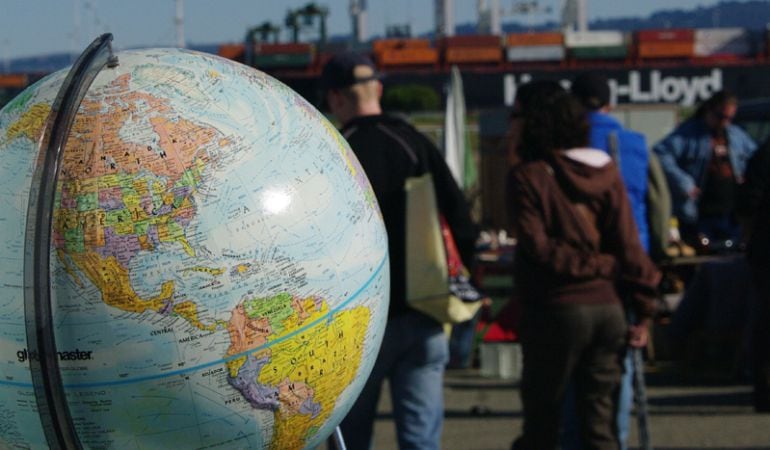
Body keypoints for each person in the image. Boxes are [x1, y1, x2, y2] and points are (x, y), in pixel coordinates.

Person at [320, 52, 477, 449]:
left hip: (358, 322)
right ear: (379, 90)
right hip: (423, 312)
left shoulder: (337, 150)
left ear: (336, 98)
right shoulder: (414, 142)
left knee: (351, 439)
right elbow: (462, 221)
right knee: (421, 439)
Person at [508, 84, 660, 450]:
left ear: (531, 123)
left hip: (555, 310)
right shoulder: (606, 170)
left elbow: (539, 249)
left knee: (543, 424)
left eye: (515, 116)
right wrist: (643, 309)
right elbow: (629, 245)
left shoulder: (528, 176)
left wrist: (595, 265)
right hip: (608, 310)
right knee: (600, 425)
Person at [562, 72, 653, 450]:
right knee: (622, 368)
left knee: (573, 375)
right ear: (609, 104)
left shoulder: (568, 149)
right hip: (631, 265)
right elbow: (654, 205)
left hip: (582, 273)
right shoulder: (637, 144)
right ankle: (617, 437)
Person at [653, 90, 756, 247]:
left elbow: (755, 157)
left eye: (730, 118)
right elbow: (660, 154)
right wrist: (683, 182)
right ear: (709, 110)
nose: (725, 122)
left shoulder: (735, 135)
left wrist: (747, 176)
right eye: (721, 117)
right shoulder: (688, 134)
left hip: (731, 213)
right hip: (699, 213)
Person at [736, 139, 770, 412]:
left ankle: (764, 391)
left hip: (765, 248)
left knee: (765, 323)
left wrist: (748, 238)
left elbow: (748, 203)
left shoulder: (763, 154)